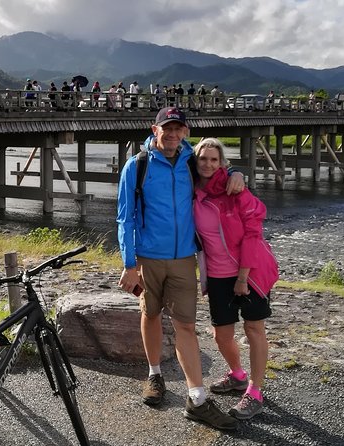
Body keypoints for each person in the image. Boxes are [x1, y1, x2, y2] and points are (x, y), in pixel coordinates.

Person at [117, 107, 244, 431]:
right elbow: (125, 218)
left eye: (178, 129)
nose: (172, 134)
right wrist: (129, 264)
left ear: (186, 132)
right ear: (154, 129)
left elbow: (218, 177)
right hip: (148, 257)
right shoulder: (138, 165)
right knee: (151, 314)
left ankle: (196, 398)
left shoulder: (191, 163)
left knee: (186, 325)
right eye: (166, 128)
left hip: (185, 258)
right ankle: (154, 374)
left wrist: (237, 173)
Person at [192, 137, 278, 420]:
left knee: (254, 329)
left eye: (214, 159)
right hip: (216, 274)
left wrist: (242, 276)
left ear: (222, 163)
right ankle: (238, 375)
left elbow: (254, 234)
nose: (207, 164)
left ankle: (254, 391)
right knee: (221, 333)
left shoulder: (235, 190)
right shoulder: (192, 191)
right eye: (203, 158)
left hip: (249, 272)